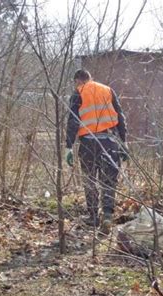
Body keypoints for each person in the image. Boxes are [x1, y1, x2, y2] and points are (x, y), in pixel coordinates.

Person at [65, 69, 127, 233]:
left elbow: (73, 122)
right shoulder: (108, 90)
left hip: (87, 144)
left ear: (77, 81)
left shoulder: (77, 93)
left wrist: (69, 147)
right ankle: (107, 215)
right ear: (90, 78)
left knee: (89, 180)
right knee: (109, 181)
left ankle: (93, 216)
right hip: (109, 142)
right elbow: (120, 117)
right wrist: (124, 143)